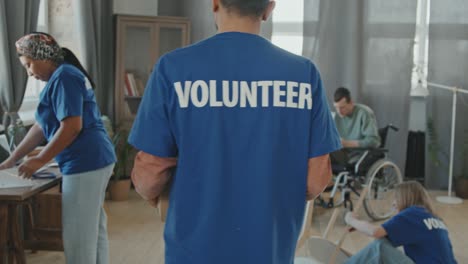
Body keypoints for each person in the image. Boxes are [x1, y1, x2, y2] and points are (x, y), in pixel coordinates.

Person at [128, 0, 341, 263]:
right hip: (270, 248)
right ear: (269, 8)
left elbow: (150, 175)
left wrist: (154, 196)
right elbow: (316, 179)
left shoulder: (172, 69)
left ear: (215, 2)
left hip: (193, 249)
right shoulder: (304, 74)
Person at [0, 32, 116, 264]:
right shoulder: (60, 77)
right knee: (93, 229)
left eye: (29, 65)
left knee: (78, 236)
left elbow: (72, 127)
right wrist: (13, 158)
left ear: (43, 56)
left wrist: (39, 160)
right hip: (95, 159)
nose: (30, 73)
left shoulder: (65, 77)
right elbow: (41, 128)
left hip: (86, 162)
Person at [344, 181, 457, 264]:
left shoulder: (413, 213)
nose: (393, 203)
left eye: (396, 198)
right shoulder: (432, 217)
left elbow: (375, 232)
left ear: (405, 198)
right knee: (384, 246)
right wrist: (359, 226)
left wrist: (351, 219)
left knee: (380, 247)